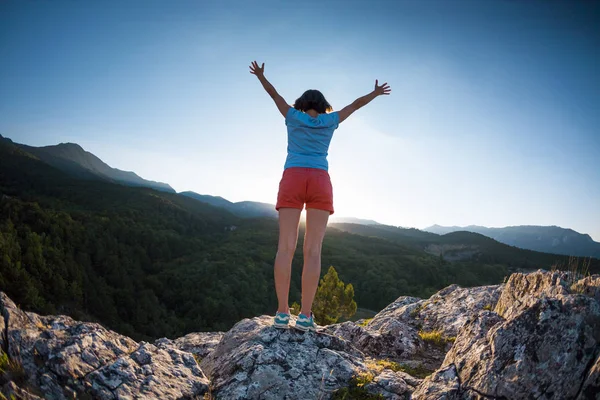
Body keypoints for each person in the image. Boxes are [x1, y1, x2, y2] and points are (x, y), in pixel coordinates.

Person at [249, 60, 391, 331]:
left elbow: (274, 95)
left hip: (292, 177)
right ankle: (305, 316)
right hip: (319, 180)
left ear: (302, 103)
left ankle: (281, 313)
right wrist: (374, 93)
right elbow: (355, 105)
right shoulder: (330, 120)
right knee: (313, 251)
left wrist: (261, 77)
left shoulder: (292, 116)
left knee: (285, 248)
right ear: (323, 104)